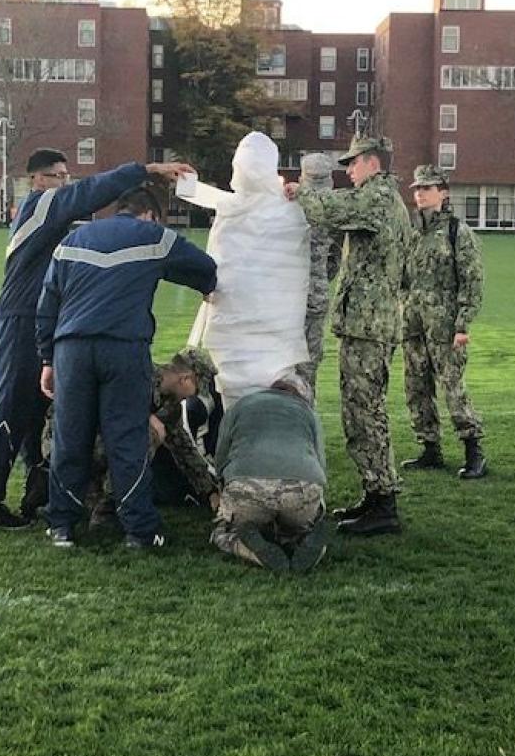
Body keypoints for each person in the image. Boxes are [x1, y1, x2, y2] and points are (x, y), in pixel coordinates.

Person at [0, 149, 193, 530]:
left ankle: (38, 491)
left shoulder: (48, 216)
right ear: (38, 180)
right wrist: (147, 170)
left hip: (46, 321)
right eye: (59, 176)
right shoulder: (40, 206)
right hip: (23, 319)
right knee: (10, 408)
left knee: (40, 411)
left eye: (67, 176)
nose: (65, 183)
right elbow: (90, 191)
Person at [36, 187, 217, 549]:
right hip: (123, 347)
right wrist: (205, 287)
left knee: (70, 437)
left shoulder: (73, 239)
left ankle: (63, 526)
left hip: (72, 348)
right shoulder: (154, 237)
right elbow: (204, 268)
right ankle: (139, 530)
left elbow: (48, 301)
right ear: (150, 215)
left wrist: (47, 358)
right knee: (127, 438)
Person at [285, 135, 410, 536]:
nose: (348, 173)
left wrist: (299, 191)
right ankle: (375, 497)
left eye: (352, 165)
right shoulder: (382, 199)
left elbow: (328, 211)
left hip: (369, 326)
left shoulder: (377, 198)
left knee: (365, 412)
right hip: (366, 323)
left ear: (371, 163)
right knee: (360, 411)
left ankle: (383, 503)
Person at [176, 131, 310, 409]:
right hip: (264, 324)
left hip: (245, 320)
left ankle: (239, 438)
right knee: (265, 391)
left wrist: (182, 180)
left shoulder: (236, 207)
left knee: (236, 397)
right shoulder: (289, 209)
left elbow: (202, 195)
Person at [401, 164, 487, 478]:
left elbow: (472, 280)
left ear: (443, 193)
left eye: (427, 188)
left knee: (453, 388)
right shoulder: (411, 232)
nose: (420, 193)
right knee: (416, 386)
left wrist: (463, 324)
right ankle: (429, 448)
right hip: (413, 325)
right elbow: (402, 277)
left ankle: (473, 449)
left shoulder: (457, 232)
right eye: (417, 189)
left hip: (445, 327)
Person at [85, 347, 221, 525]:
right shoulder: (138, 374)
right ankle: (110, 506)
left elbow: (184, 450)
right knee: (148, 435)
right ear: (185, 379)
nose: (192, 396)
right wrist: (145, 419)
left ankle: (101, 503)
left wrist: (209, 490)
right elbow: (103, 405)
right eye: (196, 390)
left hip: (104, 451)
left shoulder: (170, 405)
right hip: (82, 444)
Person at [210, 377, 327, 572]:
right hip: (301, 491)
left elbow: (221, 456)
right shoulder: (308, 413)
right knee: (306, 522)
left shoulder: (240, 406)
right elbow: (321, 464)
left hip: (247, 487)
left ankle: (250, 549)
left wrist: (221, 488)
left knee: (223, 530)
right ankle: (307, 541)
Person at [295, 153, 342, 399]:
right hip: (315, 295)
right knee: (308, 366)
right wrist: (321, 277)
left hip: (284, 296)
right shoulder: (334, 208)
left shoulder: (288, 205)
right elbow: (336, 255)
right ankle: (305, 419)